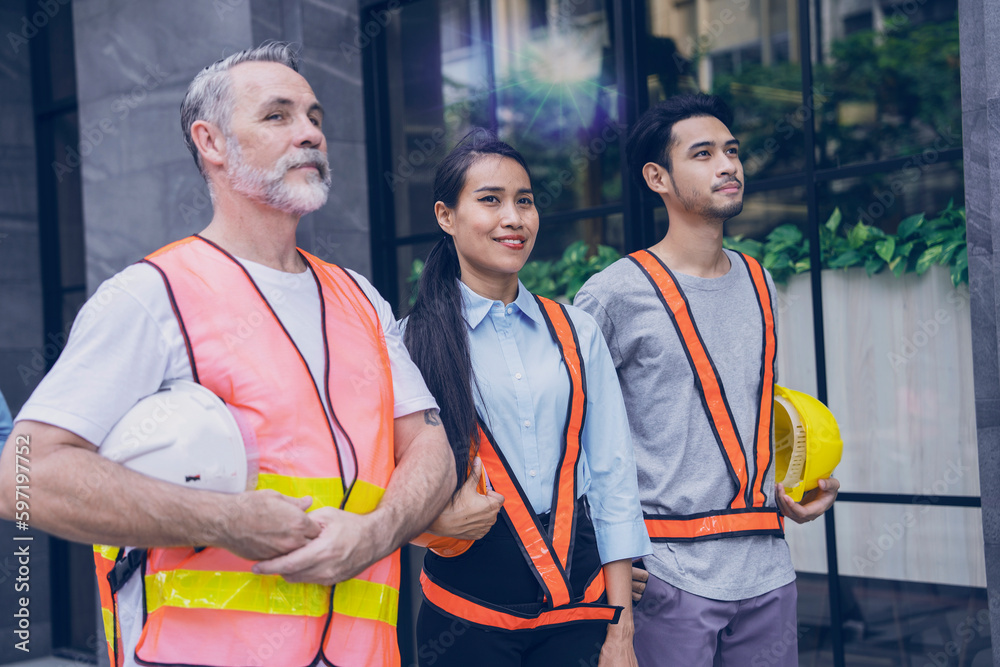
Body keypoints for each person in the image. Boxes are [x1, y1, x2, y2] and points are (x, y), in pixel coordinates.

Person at [0, 42, 454, 667]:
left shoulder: (360, 299)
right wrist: (223, 521)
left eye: (316, 117)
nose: (310, 135)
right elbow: (22, 475)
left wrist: (379, 533)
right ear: (211, 142)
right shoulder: (149, 296)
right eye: (278, 116)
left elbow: (430, 448)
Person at [574, 94, 840, 666]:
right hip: (669, 577)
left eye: (732, 151)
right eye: (703, 154)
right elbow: (576, 435)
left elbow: (747, 411)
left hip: (768, 569)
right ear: (657, 177)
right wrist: (606, 564)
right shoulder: (613, 293)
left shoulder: (758, 279)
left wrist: (792, 479)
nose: (728, 165)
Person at [402, 129, 651, 666]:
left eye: (525, 201)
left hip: (578, 613)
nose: (513, 218)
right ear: (446, 216)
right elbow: (383, 476)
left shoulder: (577, 332)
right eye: (490, 200)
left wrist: (620, 630)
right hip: (467, 613)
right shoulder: (409, 342)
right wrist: (435, 526)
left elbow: (612, 475)